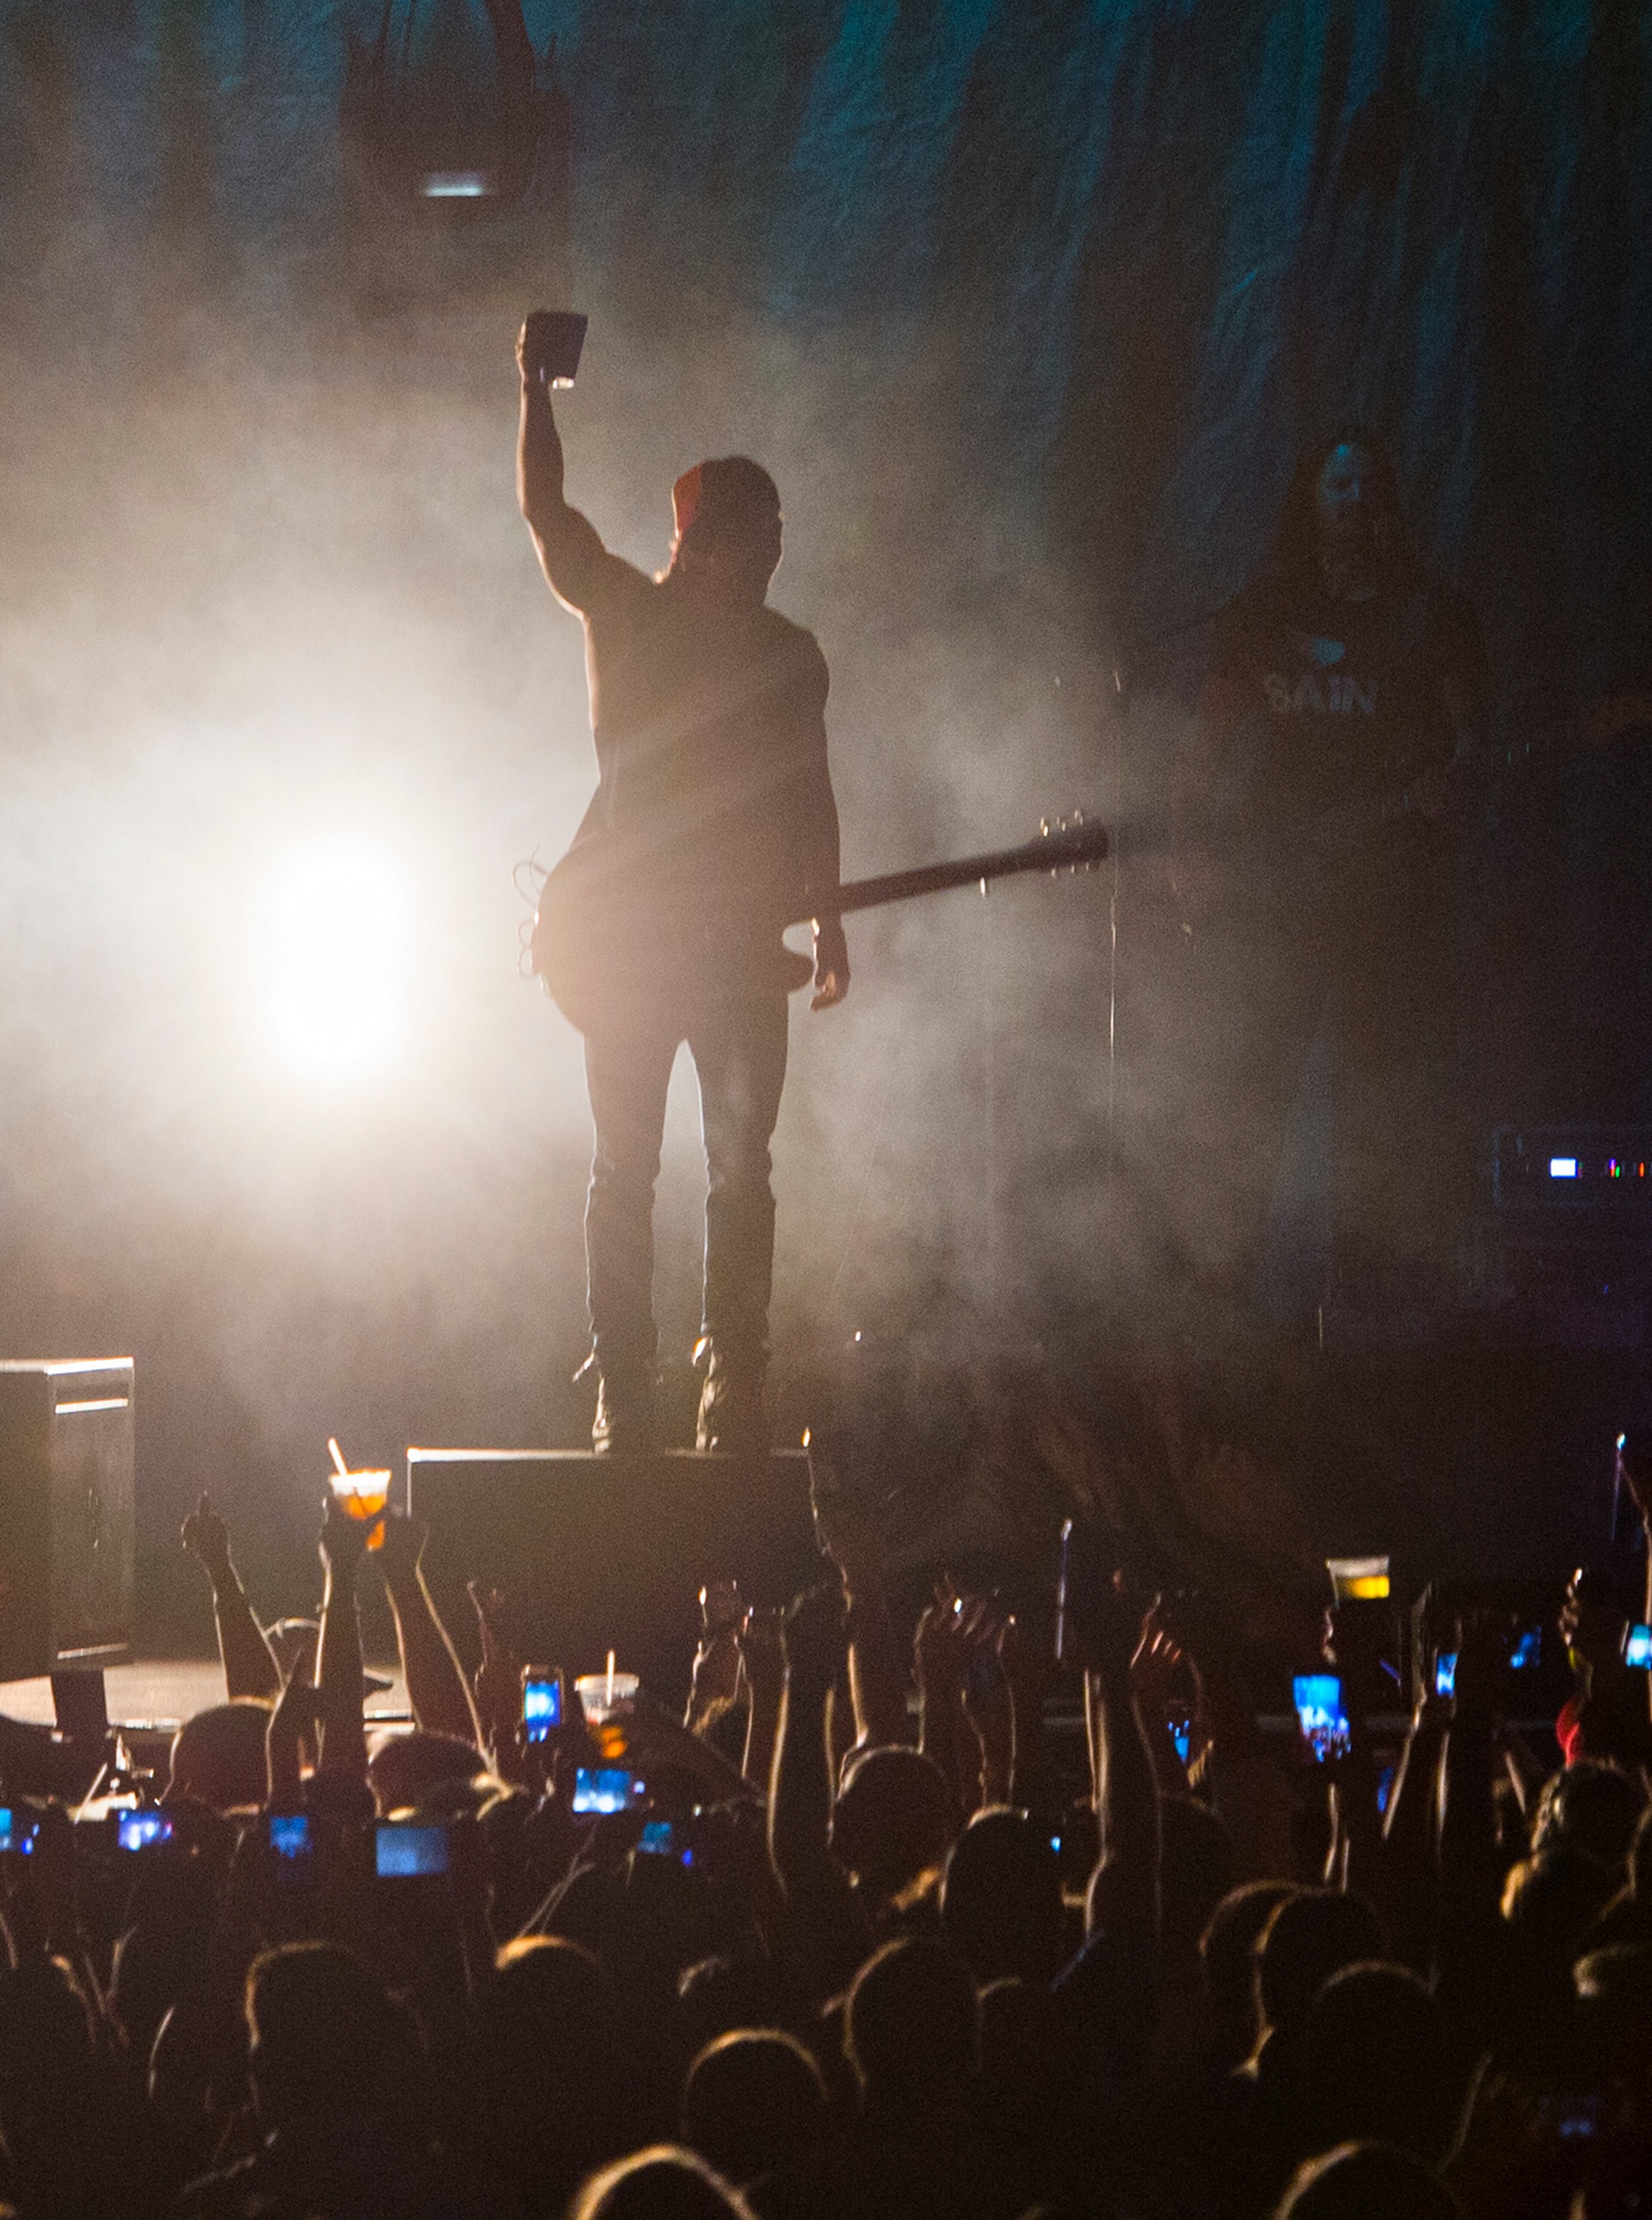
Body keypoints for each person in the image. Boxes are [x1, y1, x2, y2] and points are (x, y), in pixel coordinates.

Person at [516, 313, 850, 1456]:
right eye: (749, 541)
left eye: (774, 544)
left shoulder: (789, 656)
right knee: (628, 1170)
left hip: (742, 950)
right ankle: (628, 1383)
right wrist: (535, 397)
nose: (764, 561)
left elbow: (811, 789)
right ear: (705, 543)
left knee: (739, 1168)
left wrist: (834, 919)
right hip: (627, 954)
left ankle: (732, 1380)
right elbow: (548, 519)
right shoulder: (631, 613)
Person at [1178, 429, 1485, 1322]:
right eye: (1336, 482)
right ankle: (1227, 1301)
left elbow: (1472, 748)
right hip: (1275, 895)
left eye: (1366, 485)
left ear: (1386, 503)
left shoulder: (1434, 614)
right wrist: (1191, 851)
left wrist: (1452, 788)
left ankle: (1373, 1300)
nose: (1352, 499)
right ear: (1309, 499)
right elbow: (1206, 746)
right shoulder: (1263, 612)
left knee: (1383, 1099)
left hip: (1391, 896)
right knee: (1253, 1089)